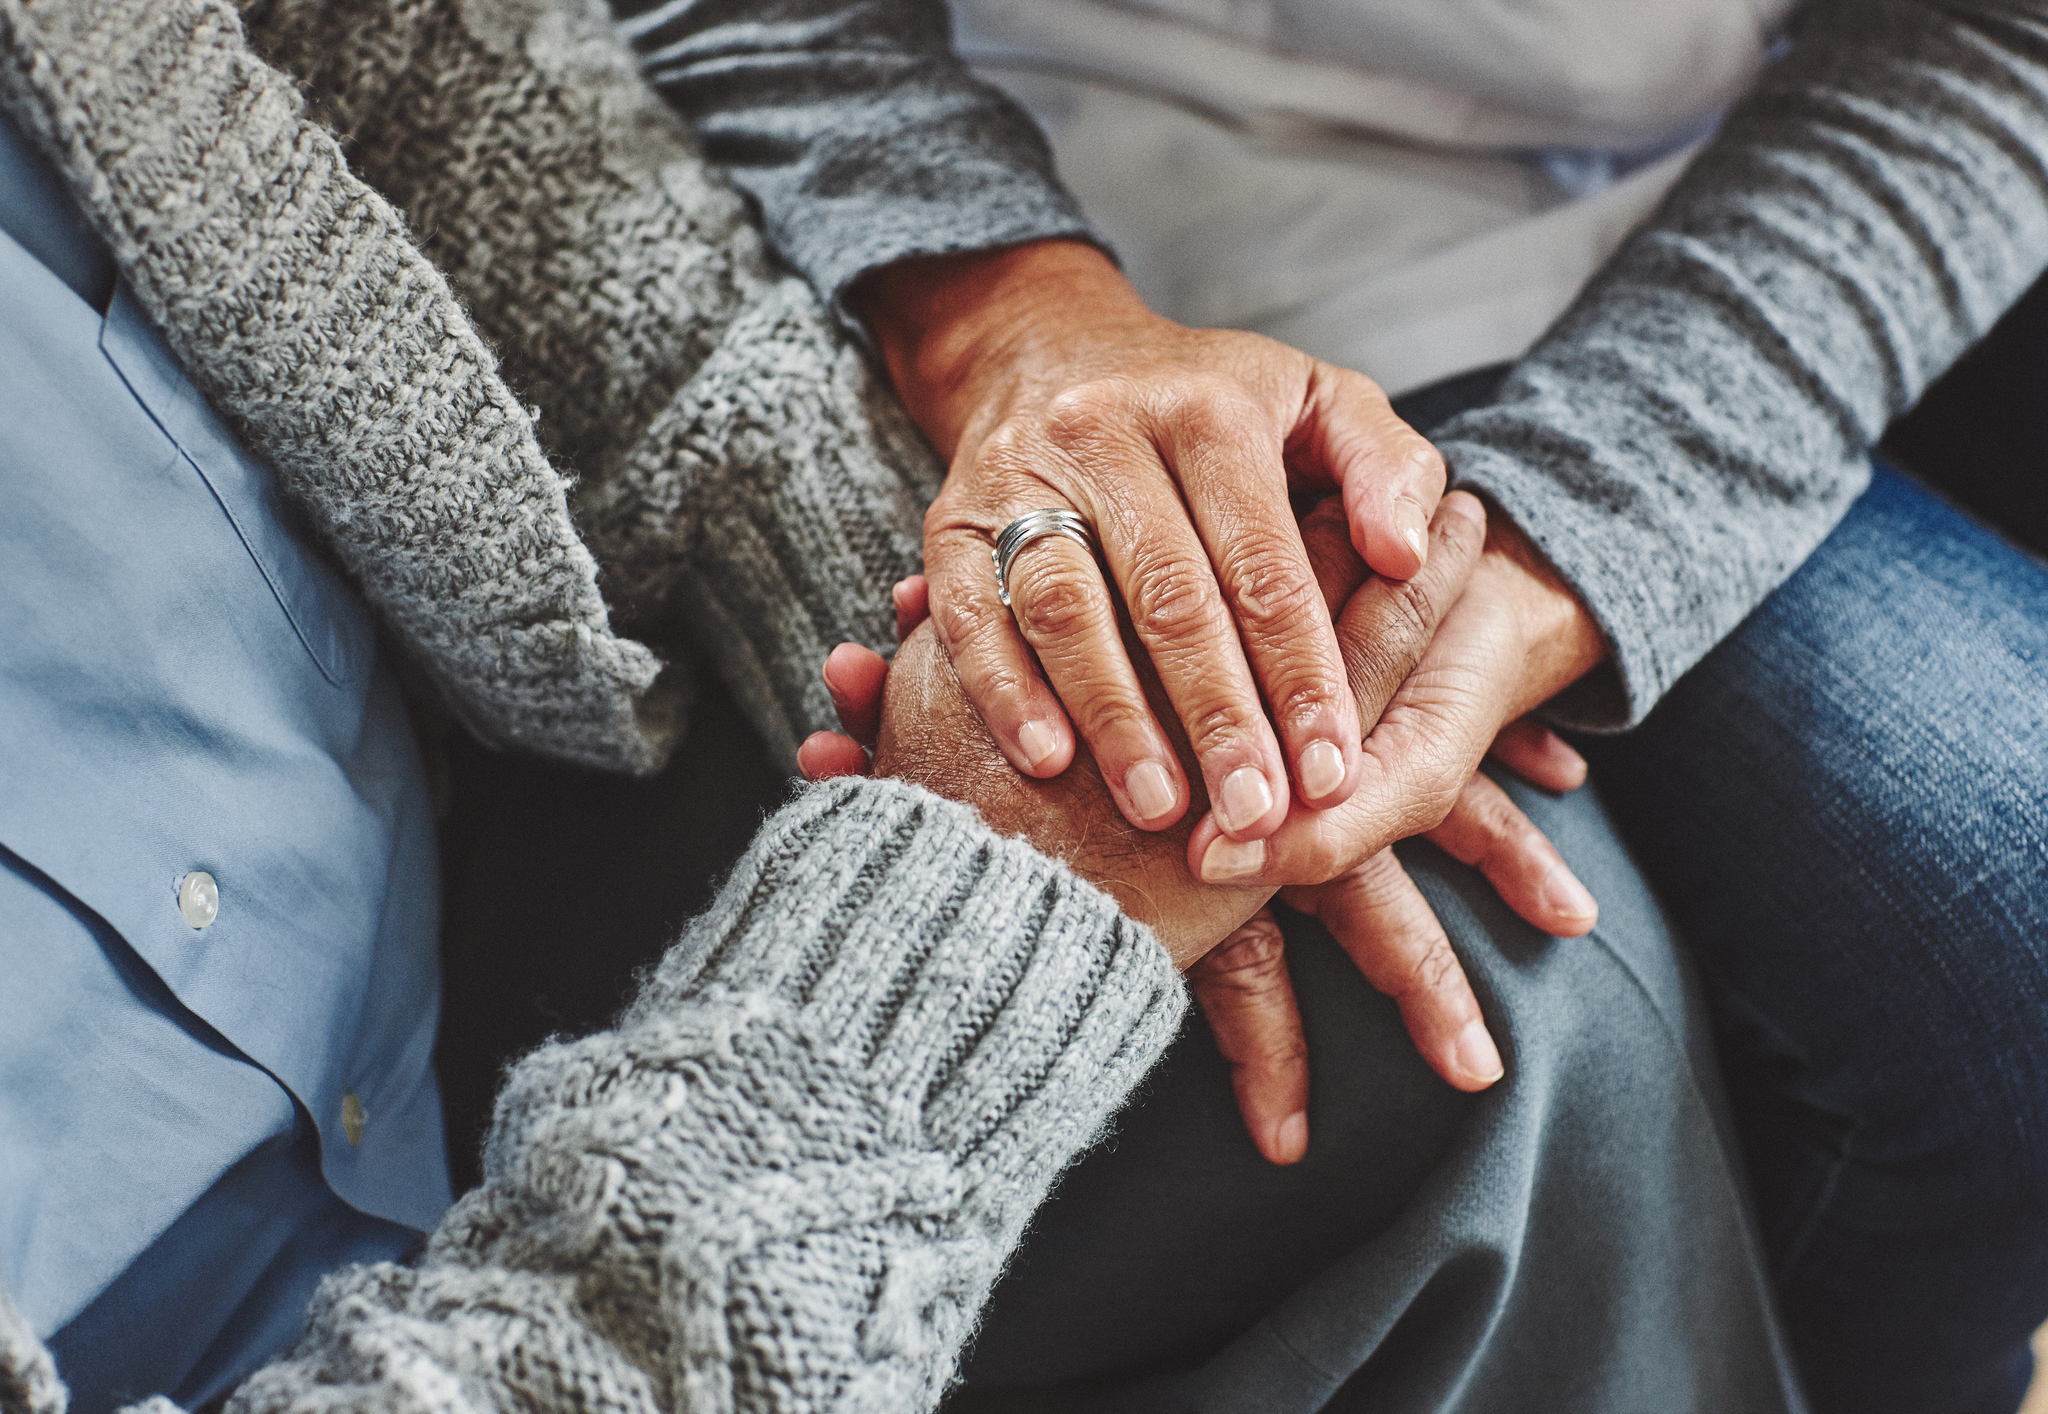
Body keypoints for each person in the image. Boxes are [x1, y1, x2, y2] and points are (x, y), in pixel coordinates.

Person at [0, 0, 1798, 1409]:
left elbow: (401, 71)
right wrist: (955, 915)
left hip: (453, 752)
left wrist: (1017, 599)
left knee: (1501, 985)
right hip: (316, 1238)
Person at [735, 0, 2048, 1409]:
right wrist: (998, 323)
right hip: (1021, 191)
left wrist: (1534, 561)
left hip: (1687, 218)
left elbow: (2014, 30)